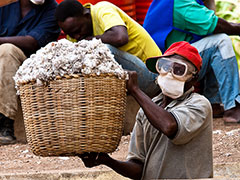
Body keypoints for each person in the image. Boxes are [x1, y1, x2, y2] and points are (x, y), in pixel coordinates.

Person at [79, 41, 213, 179]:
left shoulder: (199, 104)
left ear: (193, 79)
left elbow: (169, 126)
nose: (169, 74)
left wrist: (136, 90)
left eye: (179, 70)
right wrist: (106, 160)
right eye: (164, 66)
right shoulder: (147, 110)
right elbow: (138, 169)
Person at [143, 0, 240, 124]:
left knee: (211, 40)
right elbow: (214, 24)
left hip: (165, 65)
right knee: (221, 41)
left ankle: (214, 104)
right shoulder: (180, 2)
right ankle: (232, 106)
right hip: (164, 70)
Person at [54, 0, 162, 98]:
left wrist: (91, 40)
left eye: (78, 30)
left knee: (101, 49)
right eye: (71, 35)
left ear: (86, 16)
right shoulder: (76, 34)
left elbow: (121, 37)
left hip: (153, 77)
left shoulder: (103, 9)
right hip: (132, 78)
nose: (76, 37)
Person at [0, 0, 60, 145]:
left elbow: (32, 42)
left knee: (7, 50)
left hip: (30, 64)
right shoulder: (5, 5)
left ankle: (4, 124)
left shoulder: (52, 9)